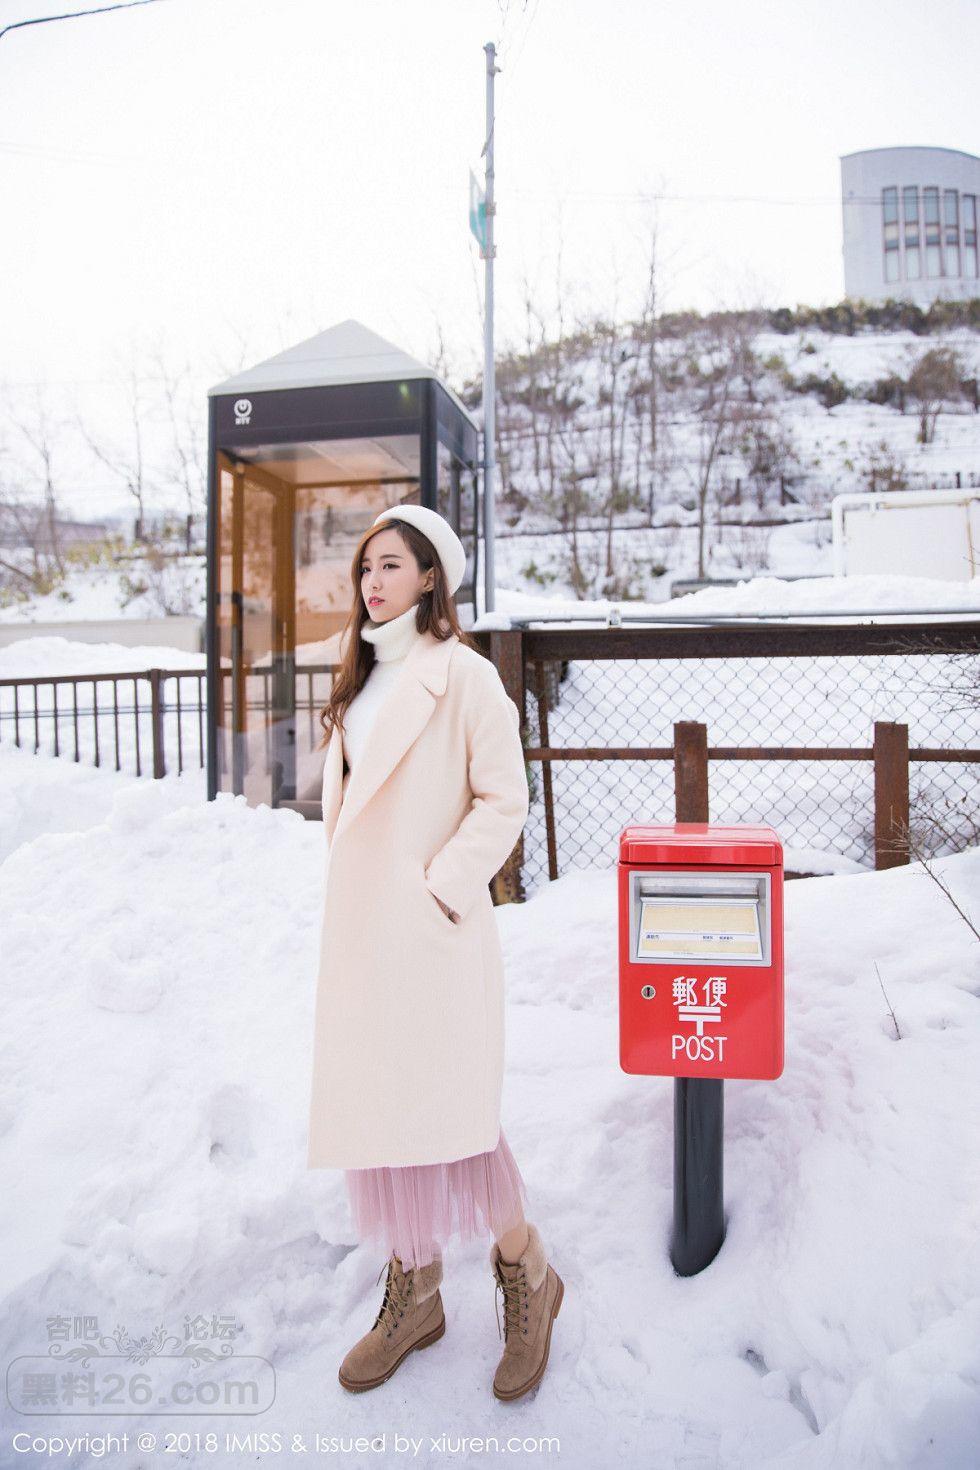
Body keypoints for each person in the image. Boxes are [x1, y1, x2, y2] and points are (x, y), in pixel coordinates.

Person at [307, 504, 563, 1400]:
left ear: (429, 577)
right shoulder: (359, 675)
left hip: (430, 932)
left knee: (453, 1114)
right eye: (365, 566)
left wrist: (441, 888)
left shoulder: (463, 676)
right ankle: (414, 1289)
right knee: (382, 1111)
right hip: (364, 940)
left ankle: (527, 1269)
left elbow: (504, 798)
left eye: (391, 564)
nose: (372, 581)